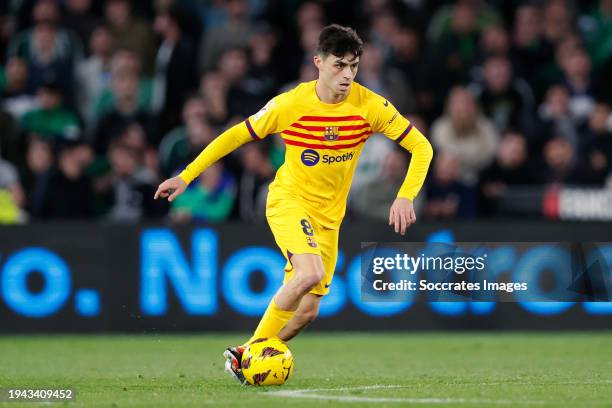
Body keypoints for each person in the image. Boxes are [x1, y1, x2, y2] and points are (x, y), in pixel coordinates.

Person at [154, 24, 433, 384]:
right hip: (289, 200)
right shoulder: (290, 104)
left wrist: (405, 194)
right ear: (318, 62)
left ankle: (244, 354)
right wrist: (187, 175)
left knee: (307, 313)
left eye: (353, 66)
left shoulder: (370, 106)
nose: (347, 74)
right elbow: (236, 135)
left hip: (329, 218)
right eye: (338, 65)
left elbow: (421, 146)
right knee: (310, 274)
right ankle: (249, 354)